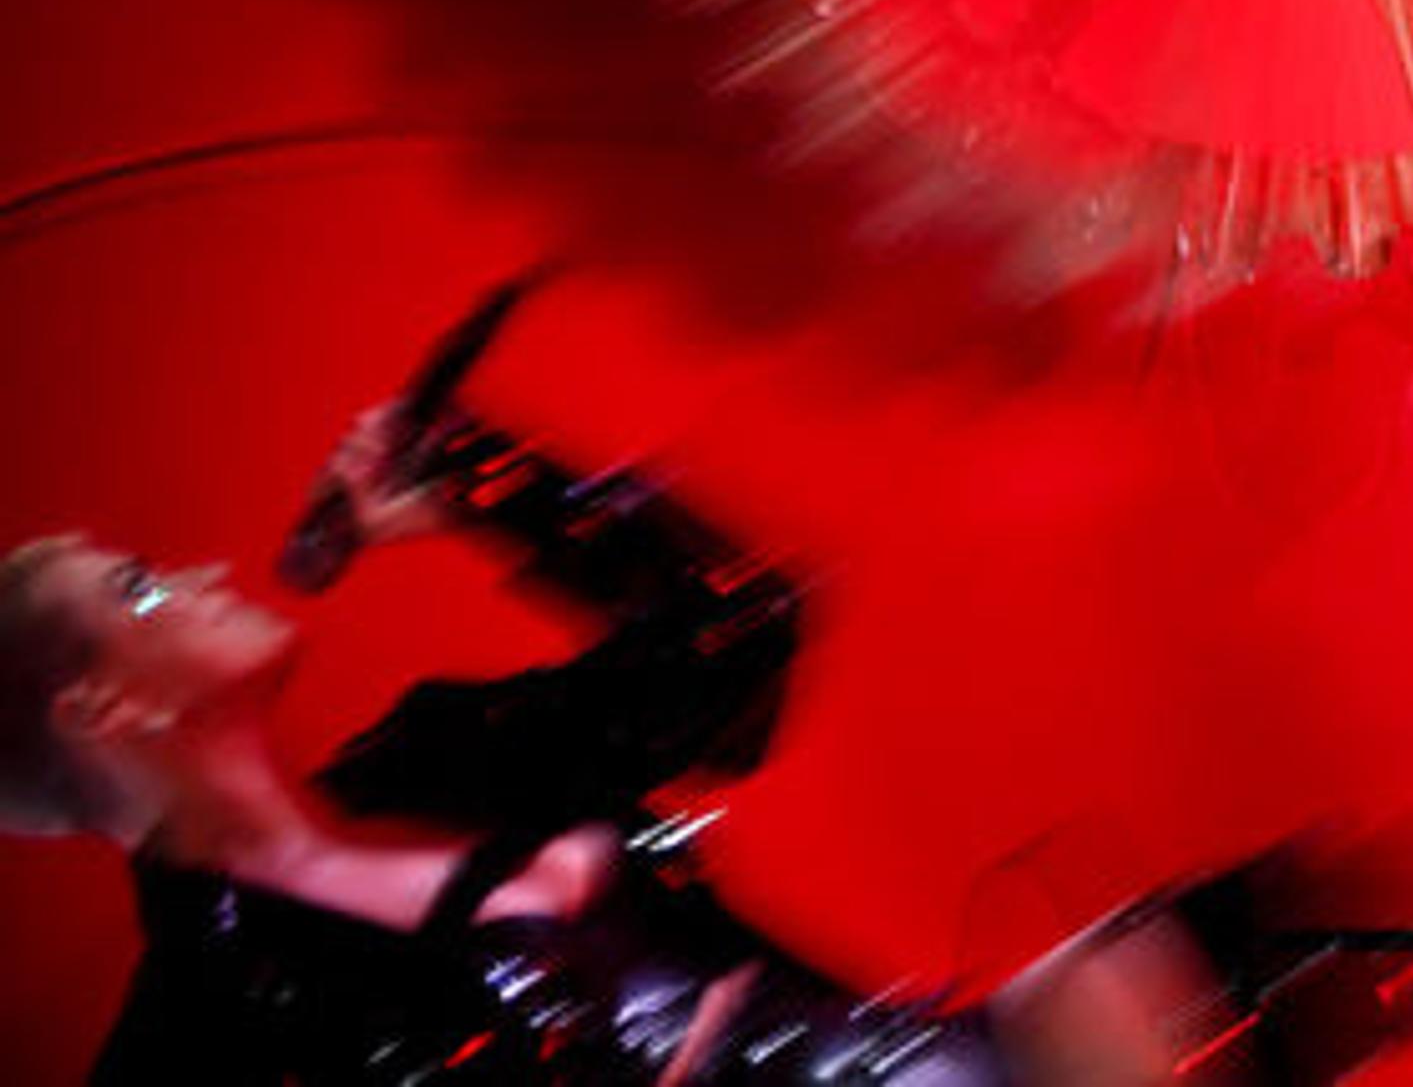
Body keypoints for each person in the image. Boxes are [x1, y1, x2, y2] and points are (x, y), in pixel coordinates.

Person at [0, 404, 1243, 1082]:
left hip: (1003, 1064)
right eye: (142, 592)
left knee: (1308, 927)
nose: (201, 573)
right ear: (102, 712)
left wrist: (477, 483)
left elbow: (743, 630)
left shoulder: (447, 753)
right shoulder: (201, 1040)